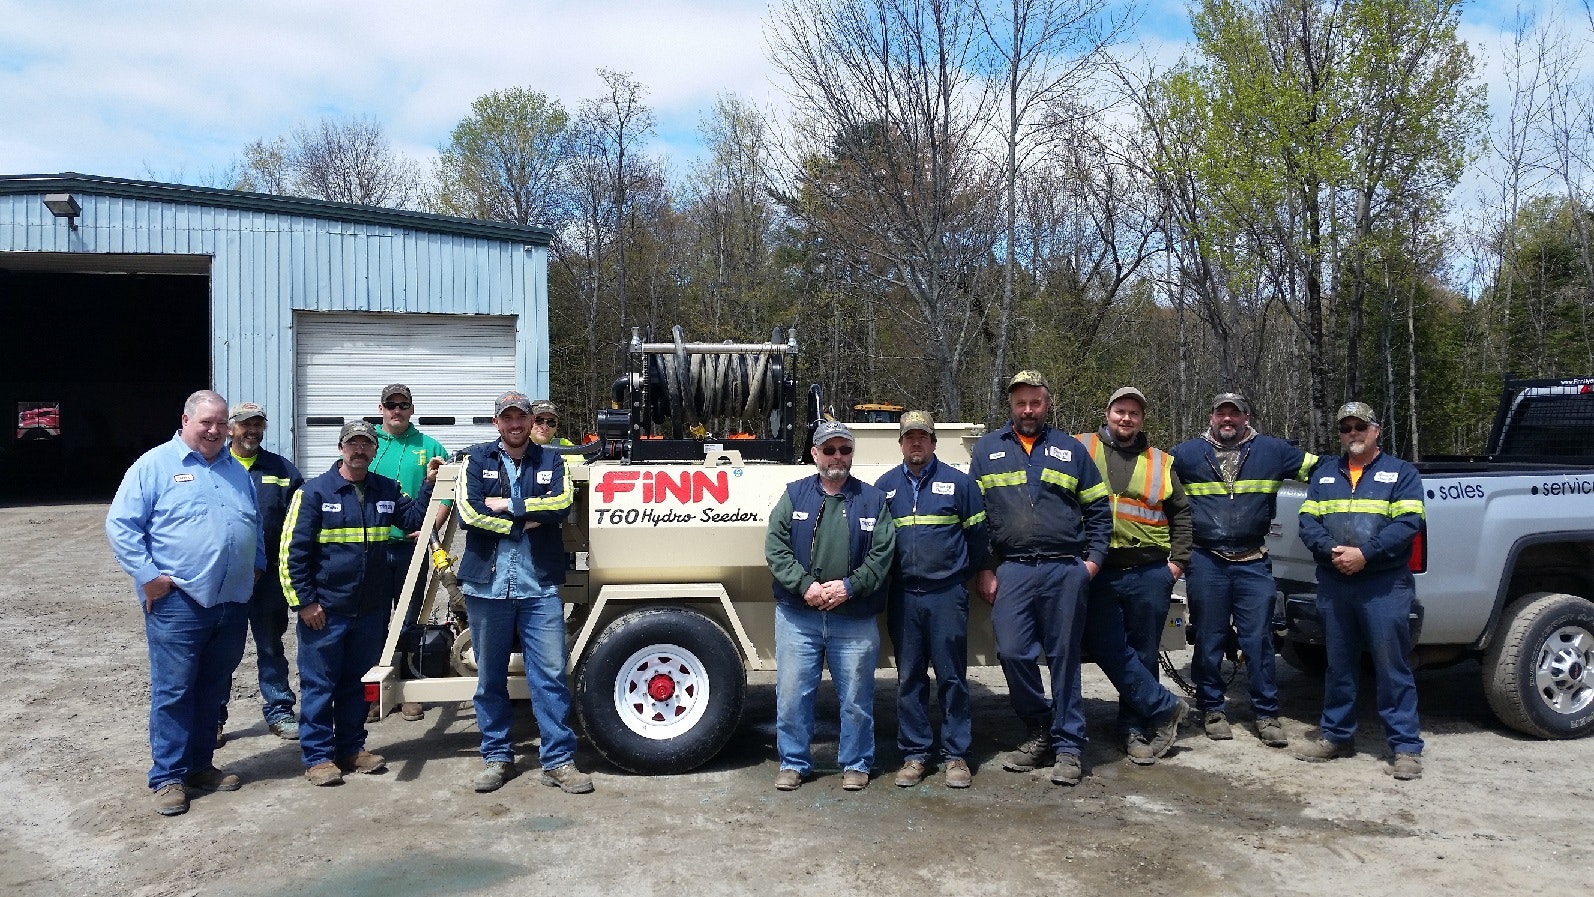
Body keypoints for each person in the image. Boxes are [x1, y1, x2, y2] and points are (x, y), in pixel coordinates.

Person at [106, 390, 267, 817]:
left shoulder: (236, 471)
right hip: (179, 602)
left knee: (212, 689)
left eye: (220, 423)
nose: (214, 430)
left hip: (231, 601)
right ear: (186, 421)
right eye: (205, 423)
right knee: (175, 690)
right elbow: (121, 526)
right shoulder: (155, 465)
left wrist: (258, 564)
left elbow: (253, 523)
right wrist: (148, 578)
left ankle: (199, 766)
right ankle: (168, 778)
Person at [969, 371, 1112, 787]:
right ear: (1010, 406)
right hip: (1011, 568)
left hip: (1064, 568)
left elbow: (1099, 511)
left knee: (1065, 658)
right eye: (1020, 404)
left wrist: (1093, 562)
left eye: (1035, 403)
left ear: (1047, 404)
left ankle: (1069, 746)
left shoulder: (1070, 450)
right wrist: (985, 566)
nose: (1028, 410)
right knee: (1013, 652)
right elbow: (977, 518)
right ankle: (1040, 727)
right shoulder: (987, 450)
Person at [279, 420, 435, 786]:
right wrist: (304, 604)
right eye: (353, 444)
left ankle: (351, 749)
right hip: (325, 611)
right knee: (320, 685)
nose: (360, 450)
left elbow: (412, 519)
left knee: (356, 683)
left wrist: (429, 485)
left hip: (369, 611)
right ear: (341, 449)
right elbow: (291, 553)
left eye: (366, 444)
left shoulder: (385, 488)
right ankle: (317, 757)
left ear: (374, 449)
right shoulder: (315, 492)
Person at [455, 390, 591, 795]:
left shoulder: (552, 460)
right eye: (507, 418)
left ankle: (558, 761)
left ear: (532, 421)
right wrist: (526, 518)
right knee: (490, 679)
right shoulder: (476, 459)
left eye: (522, 418)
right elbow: (468, 512)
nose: (515, 425)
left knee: (549, 676)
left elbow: (562, 505)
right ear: (497, 422)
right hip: (487, 587)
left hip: (540, 587)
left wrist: (507, 507)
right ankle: (496, 757)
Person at [1171, 393, 1317, 746]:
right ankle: (1212, 709)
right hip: (1206, 561)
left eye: (1234, 414)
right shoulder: (1186, 454)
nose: (1227, 419)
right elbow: (1153, 489)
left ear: (1245, 417)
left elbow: (1323, 471)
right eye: (1221, 412)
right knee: (1209, 638)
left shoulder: (1272, 451)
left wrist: (1367, 472)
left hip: (1253, 562)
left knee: (1260, 641)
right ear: (1211, 416)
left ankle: (1266, 714)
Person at [1295, 402, 1426, 780]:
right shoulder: (1326, 473)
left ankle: (1405, 748)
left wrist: (1365, 555)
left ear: (1376, 430)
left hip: (1384, 584)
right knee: (1338, 664)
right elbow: (1308, 521)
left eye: (1360, 426)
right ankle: (1336, 736)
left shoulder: (1401, 473)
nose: (1353, 433)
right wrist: (1332, 552)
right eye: (1346, 428)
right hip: (1336, 581)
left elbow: (1407, 524)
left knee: (1391, 666)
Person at [766, 420, 897, 792]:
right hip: (798, 616)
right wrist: (804, 586)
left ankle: (856, 763)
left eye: (844, 449)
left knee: (856, 698)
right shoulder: (794, 496)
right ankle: (793, 762)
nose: (837, 456)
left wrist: (850, 587)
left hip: (853, 617)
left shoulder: (873, 500)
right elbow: (775, 548)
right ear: (814, 454)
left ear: (852, 454)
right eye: (829, 450)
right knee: (792, 695)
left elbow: (883, 554)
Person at [1074, 387, 1192, 763]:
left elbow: (1182, 514)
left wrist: (1177, 563)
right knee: (1105, 645)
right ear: (1107, 413)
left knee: (1143, 652)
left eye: (1133, 414)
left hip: (1149, 572)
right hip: (1098, 569)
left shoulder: (1162, 461)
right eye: (1119, 411)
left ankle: (1135, 729)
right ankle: (1163, 707)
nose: (1126, 418)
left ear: (1142, 419)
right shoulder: (1079, 447)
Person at [874, 411, 986, 788]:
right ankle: (915, 755)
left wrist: (957, 576)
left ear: (934, 443)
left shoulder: (959, 483)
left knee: (952, 678)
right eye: (909, 437)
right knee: (909, 679)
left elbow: (978, 538)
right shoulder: (885, 487)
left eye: (923, 437)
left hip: (946, 597)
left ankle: (956, 756)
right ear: (901, 443)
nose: (916, 443)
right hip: (904, 596)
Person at [219, 401, 303, 743]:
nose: (251, 430)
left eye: (257, 425)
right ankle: (213, 717)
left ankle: (280, 710)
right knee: (222, 650)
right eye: (244, 424)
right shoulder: (215, 466)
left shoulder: (283, 471)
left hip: (269, 579)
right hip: (225, 579)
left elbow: (300, 522)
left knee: (270, 647)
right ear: (230, 428)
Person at [370, 383, 449, 722]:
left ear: (412, 409)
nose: (397, 411)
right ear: (381, 409)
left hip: (411, 548)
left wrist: (432, 524)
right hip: (372, 549)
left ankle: (407, 688)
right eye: (391, 405)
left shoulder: (429, 447)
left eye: (403, 405)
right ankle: (374, 690)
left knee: (410, 618)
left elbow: (446, 493)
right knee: (371, 620)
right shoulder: (366, 444)